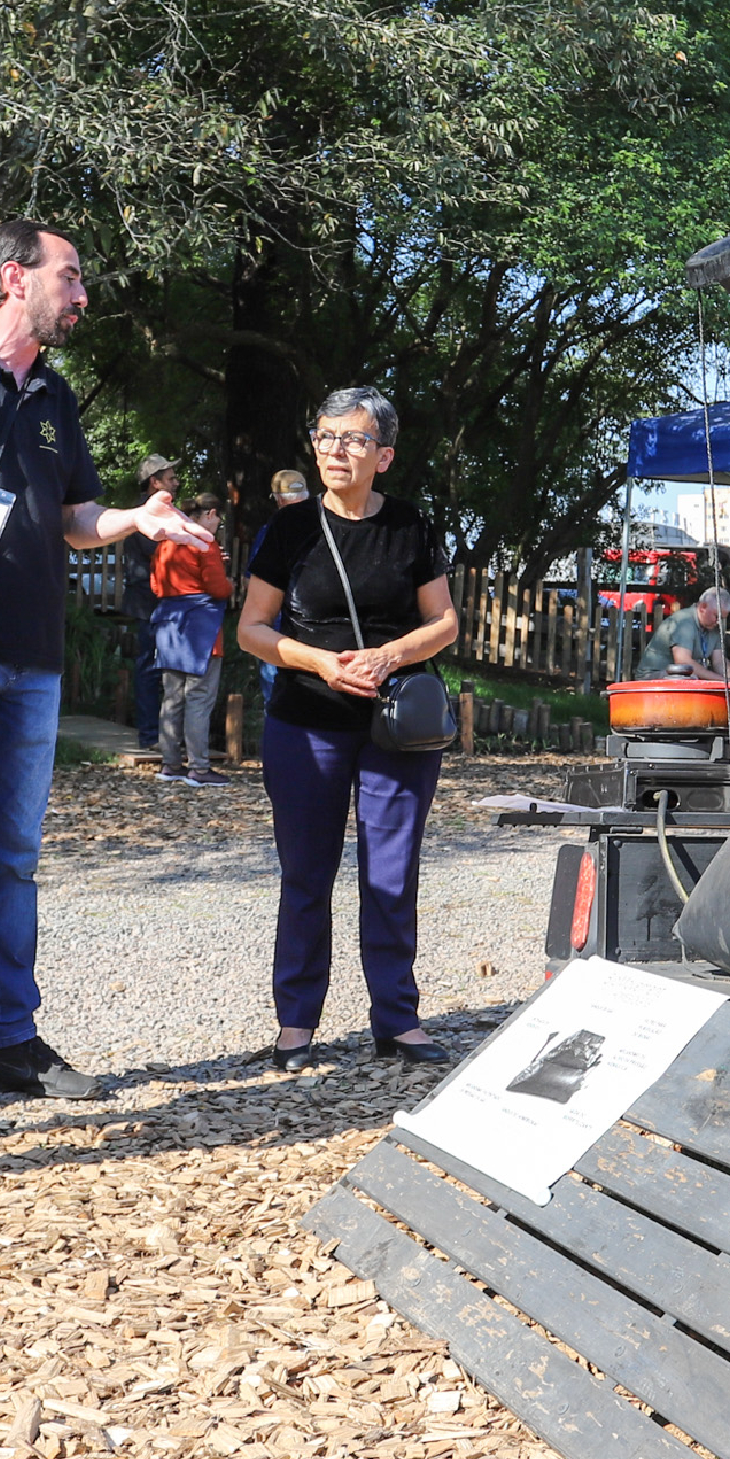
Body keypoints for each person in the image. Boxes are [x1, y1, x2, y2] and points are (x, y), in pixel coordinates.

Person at [0, 220, 206, 1121]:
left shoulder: (56, 397)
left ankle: (10, 1043)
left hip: (34, 660)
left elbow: (75, 521)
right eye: (72, 276)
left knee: (15, 859)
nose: (84, 294)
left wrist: (138, 521)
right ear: (15, 279)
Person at [237, 388, 460, 1070]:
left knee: (390, 876)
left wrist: (392, 654)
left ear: (384, 455)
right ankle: (296, 1023)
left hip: (396, 728)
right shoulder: (288, 529)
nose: (337, 449)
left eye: (355, 439)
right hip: (306, 724)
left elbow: (445, 622)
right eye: (326, 436)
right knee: (306, 875)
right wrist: (318, 663)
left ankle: (397, 1018)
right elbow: (250, 629)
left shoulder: (411, 526)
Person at [153, 492, 234, 787]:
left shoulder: (166, 541)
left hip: (169, 626)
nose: (218, 526)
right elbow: (217, 587)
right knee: (199, 698)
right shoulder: (204, 541)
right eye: (218, 520)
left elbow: (155, 582)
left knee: (172, 698)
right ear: (210, 514)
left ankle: (170, 763)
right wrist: (230, 584)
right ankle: (199, 768)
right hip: (201, 627)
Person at [119, 454, 177, 751]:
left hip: (164, 602)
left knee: (164, 669)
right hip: (148, 603)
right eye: (170, 478)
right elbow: (163, 553)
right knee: (149, 669)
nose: (175, 482)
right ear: (155, 482)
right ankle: (150, 735)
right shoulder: (145, 516)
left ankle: (162, 735)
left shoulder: (166, 513)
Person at [250, 469, 312, 709]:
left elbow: (253, 583)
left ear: (278, 499)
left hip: (278, 634)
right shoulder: (330, 528)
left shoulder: (271, 532)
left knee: (276, 704)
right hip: (323, 634)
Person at [636, 585, 730, 678]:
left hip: (679, 675)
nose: (718, 622)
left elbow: (719, 661)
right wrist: (721, 681)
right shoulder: (684, 622)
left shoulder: (713, 627)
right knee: (689, 676)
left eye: (722, 619)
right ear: (702, 607)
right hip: (652, 677)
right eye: (716, 616)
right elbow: (683, 662)